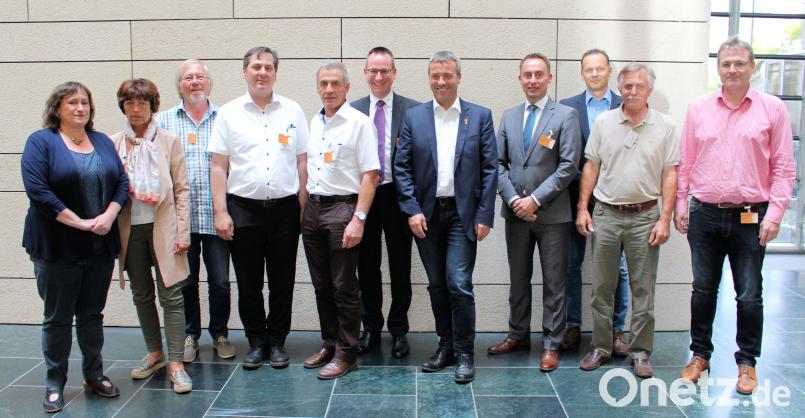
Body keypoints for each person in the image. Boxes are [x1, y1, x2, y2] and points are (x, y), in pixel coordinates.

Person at [675, 36, 796, 395]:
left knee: (749, 293)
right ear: (718, 68)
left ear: (752, 66)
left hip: (751, 216)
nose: (732, 69)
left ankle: (747, 362)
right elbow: (686, 162)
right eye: (726, 64)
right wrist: (681, 204)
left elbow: (784, 169)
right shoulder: (698, 109)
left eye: (739, 63)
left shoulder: (773, 109)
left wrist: (775, 214)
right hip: (705, 215)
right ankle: (700, 355)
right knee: (702, 289)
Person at [22, 81, 127, 413]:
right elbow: (38, 191)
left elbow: (122, 181)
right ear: (57, 108)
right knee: (57, 318)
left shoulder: (101, 140)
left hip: (99, 245)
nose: (80, 108)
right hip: (58, 247)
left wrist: (109, 215)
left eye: (85, 102)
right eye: (72, 102)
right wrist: (81, 223)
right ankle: (55, 382)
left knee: (91, 315)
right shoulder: (42, 142)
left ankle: (94, 374)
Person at [394, 51, 498, 383]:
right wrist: (411, 209)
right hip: (426, 215)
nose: (441, 82)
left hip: (462, 215)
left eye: (447, 75)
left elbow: (490, 169)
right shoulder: (415, 117)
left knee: (459, 283)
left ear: (458, 77)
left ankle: (465, 353)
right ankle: (446, 346)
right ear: (429, 78)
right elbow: (402, 167)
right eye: (435, 76)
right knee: (437, 285)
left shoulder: (479, 116)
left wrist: (485, 215)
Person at [209, 47, 309, 370]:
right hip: (243, 209)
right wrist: (221, 211)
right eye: (256, 67)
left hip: (285, 210)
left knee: (283, 281)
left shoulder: (292, 110)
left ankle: (277, 342)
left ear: (276, 73)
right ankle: (256, 341)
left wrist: (302, 206)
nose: (262, 72)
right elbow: (218, 166)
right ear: (245, 72)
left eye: (268, 67)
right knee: (248, 282)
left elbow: (303, 161)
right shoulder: (229, 113)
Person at [576, 63, 678, 379]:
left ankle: (640, 352)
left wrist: (665, 219)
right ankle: (601, 346)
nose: (633, 91)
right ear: (620, 89)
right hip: (606, 214)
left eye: (639, 86)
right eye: (628, 86)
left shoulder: (665, 126)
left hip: (645, 217)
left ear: (650, 90)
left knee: (643, 290)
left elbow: (670, 174)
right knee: (602, 289)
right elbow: (591, 167)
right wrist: (583, 208)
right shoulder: (604, 122)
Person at [488, 52, 581, 372]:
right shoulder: (509, 116)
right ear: (519, 78)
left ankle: (552, 344)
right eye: (527, 75)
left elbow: (568, 166)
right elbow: (497, 163)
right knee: (518, 280)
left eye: (539, 74)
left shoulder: (565, 116)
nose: (532, 80)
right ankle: (518, 335)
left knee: (555, 282)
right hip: (515, 213)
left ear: (549, 78)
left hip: (552, 215)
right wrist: (515, 199)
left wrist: (535, 200)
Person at [111, 78, 193, 394]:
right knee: (141, 294)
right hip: (129, 230)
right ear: (123, 106)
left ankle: (176, 363)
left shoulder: (169, 141)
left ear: (152, 106)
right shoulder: (113, 143)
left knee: (171, 296)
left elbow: (182, 190)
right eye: (129, 103)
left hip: (164, 228)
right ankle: (155, 353)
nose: (136, 109)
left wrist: (182, 231)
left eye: (142, 103)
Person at [302, 60, 379, 379]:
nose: (329, 89)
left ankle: (347, 352)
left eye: (335, 83)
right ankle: (330, 343)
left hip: (343, 210)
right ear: (317, 87)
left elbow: (371, 175)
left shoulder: (360, 123)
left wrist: (358, 219)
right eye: (323, 83)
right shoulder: (315, 121)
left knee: (344, 285)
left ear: (347, 87)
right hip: (313, 210)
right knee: (321, 285)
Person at [156, 59, 234, 363]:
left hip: (217, 215)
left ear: (209, 84)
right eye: (188, 78)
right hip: (181, 220)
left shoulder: (226, 118)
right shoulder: (163, 121)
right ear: (180, 86)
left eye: (199, 77)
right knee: (186, 282)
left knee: (220, 281)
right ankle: (190, 335)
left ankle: (220, 334)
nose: (194, 82)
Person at [559, 49, 630, 355]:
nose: (595, 74)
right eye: (589, 69)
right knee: (571, 265)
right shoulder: (567, 107)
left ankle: (617, 329)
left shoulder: (626, 105)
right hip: (575, 196)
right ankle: (572, 325)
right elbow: (562, 154)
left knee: (619, 269)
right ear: (582, 73)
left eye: (600, 68)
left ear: (609, 71)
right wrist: (583, 183)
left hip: (616, 201)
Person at [351, 46, 419, 357]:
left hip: (397, 196)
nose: (378, 76)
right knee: (366, 267)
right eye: (373, 71)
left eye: (384, 71)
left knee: (400, 267)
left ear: (394, 73)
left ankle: (399, 330)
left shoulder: (413, 111)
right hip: (363, 197)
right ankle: (371, 328)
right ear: (365, 73)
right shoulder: (352, 110)